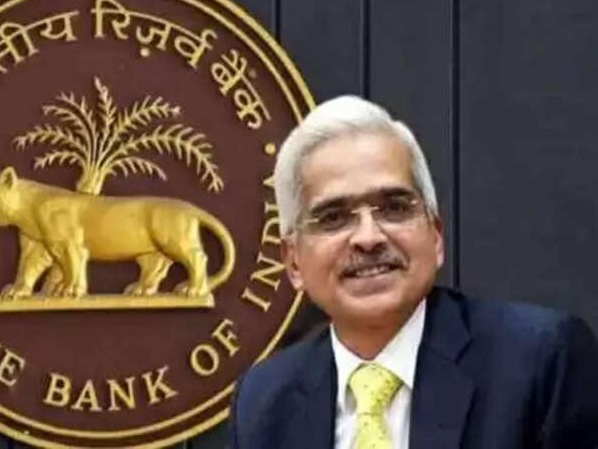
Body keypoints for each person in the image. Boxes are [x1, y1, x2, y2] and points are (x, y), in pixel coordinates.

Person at [228, 95, 598, 448]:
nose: (369, 238)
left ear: (435, 237)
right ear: (293, 261)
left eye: (394, 208)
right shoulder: (264, 403)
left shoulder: (540, 362)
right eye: (334, 218)